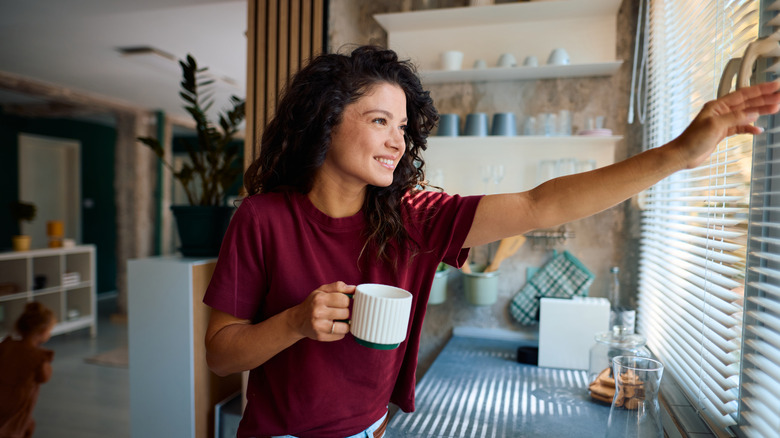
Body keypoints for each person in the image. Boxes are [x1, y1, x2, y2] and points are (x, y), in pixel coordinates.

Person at [203, 45, 780, 437]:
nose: (398, 141)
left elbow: (539, 204)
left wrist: (679, 154)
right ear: (325, 120)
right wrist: (295, 323)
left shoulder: (414, 219)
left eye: (403, 128)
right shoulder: (262, 219)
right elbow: (221, 350)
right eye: (380, 121)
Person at [0, 302, 56, 438]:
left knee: (17, 425)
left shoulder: (7, 345)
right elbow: (44, 378)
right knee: (15, 428)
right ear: (43, 332)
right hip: (19, 402)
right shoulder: (38, 356)